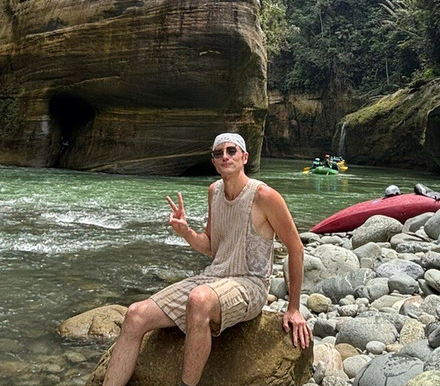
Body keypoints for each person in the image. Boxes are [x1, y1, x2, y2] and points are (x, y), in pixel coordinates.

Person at [102, 133, 311, 386]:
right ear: (213, 162)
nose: (224, 156)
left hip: (250, 284)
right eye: (218, 153)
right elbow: (212, 246)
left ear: (244, 157)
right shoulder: (214, 191)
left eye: (231, 151)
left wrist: (294, 308)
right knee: (135, 315)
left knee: (198, 300)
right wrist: (186, 231)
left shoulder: (264, 196)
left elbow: (296, 248)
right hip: (213, 278)